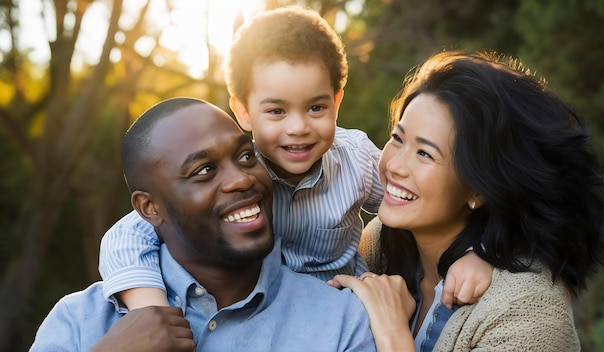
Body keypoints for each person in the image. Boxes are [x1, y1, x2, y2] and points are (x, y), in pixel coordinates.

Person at [98, 6, 494, 311]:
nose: (298, 128)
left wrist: (479, 253)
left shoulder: (355, 161)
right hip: (256, 308)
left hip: (339, 314)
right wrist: (148, 309)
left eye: (316, 108)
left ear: (337, 101)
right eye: (277, 112)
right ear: (243, 111)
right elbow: (127, 236)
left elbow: (427, 199)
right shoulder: (236, 178)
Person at [30, 98, 376, 351]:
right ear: (149, 207)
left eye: (245, 156)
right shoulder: (79, 323)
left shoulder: (340, 320)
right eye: (204, 171)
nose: (241, 179)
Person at [329, 50, 604, 351]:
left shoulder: (529, 308)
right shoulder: (383, 243)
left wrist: (392, 333)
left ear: (479, 189)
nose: (394, 165)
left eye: (425, 153)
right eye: (397, 138)